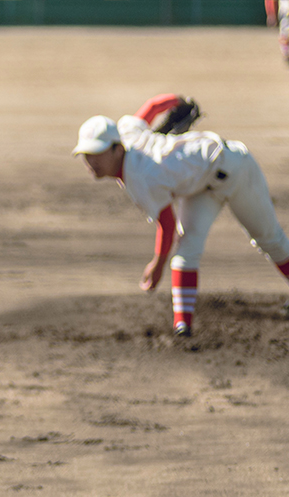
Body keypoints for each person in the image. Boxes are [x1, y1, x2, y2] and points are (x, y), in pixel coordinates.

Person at [72, 94, 289, 336]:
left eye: (96, 153)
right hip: (200, 187)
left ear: (116, 149)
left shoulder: (142, 177)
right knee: (186, 251)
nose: (90, 161)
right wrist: (177, 99)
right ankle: (182, 327)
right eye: (85, 154)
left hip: (236, 170)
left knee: (270, 240)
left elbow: (167, 225)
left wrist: (157, 266)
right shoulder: (126, 131)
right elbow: (153, 107)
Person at [267, 0, 289, 64]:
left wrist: (272, 15)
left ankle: (286, 52)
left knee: (284, 36)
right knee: (285, 37)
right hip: (285, 14)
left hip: (285, 13)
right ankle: (286, 53)